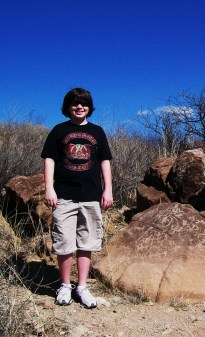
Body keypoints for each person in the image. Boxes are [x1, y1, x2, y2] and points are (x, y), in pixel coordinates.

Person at [41, 88, 113, 308]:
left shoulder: (98, 132)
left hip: (91, 196)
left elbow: (105, 162)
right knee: (63, 242)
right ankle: (65, 285)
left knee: (87, 242)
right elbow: (49, 160)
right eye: (75, 103)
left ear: (89, 107)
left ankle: (81, 287)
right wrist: (49, 189)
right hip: (64, 195)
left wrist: (108, 189)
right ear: (67, 107)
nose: (79, 107)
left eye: (84, 103)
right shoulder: (58, 131)